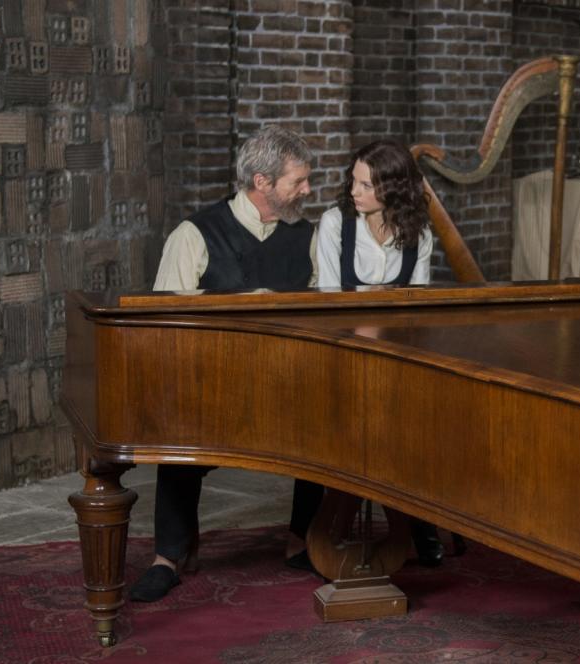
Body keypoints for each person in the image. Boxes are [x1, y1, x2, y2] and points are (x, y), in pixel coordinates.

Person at [129, 125, 324, 602]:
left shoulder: (310, 237)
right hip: (210, 384)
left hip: (289, 381)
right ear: (262, 181)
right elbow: (163, 324)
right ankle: (169, 556)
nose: (307, 190)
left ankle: (305, 539)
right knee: (178, 435)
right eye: (298, 181)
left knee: (329, 424)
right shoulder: (193, 234)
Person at [316, 139, 445, 566]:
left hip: (397, 357)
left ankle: (415, 517)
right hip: (343, 355)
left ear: (392, 189)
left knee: (418, 426)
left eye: (366, 185)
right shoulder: (336, 224)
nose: (354, 191)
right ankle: (339, 524)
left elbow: (417, 311)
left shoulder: (418, 232)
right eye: (353, 181)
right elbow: (330, 304)